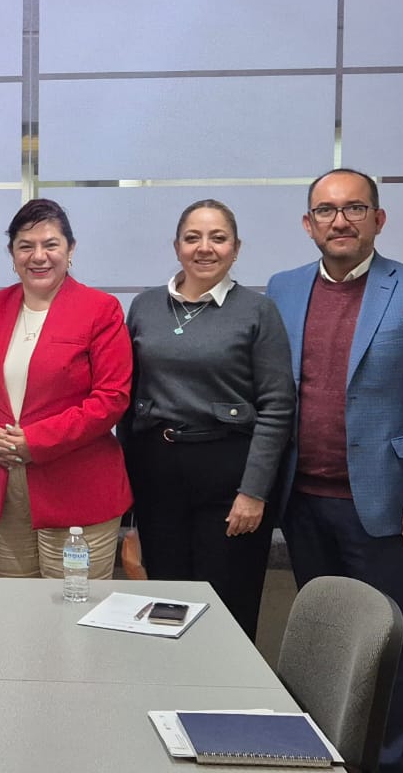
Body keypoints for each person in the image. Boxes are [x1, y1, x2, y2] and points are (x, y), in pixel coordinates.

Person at [267, 169, 403, 773]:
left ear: (378, 219)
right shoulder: (283, 288)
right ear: (308, 224)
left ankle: (396, 766)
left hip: (386, 506)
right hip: (303, 502)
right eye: (326, 211)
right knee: (325, 650)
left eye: (354, 208)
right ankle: (329, 762)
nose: (340, 220)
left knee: (386, 650)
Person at [123, 199, 295, 639]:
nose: (205, 248)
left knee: (228, 606)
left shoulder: (258, 311)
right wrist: (129, 492)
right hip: (159, 473)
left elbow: (278, 406)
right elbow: (129, 399)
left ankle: (226, 684)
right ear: (176, 246)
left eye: (218, 238)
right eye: (192, 237)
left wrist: (254, 491)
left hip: (230, 475)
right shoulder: (145, 307)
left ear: (236, 248)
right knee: (166, 603)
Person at [0, 199, 132, 579]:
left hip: (78, 487)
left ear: (70, 249)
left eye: (51, 244)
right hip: (5, 486)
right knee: (12, 605)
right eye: (25, 246)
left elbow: (112, 398)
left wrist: (35, 440)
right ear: (12, 254)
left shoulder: (100, 309)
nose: (38, 256)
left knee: (74, 608)